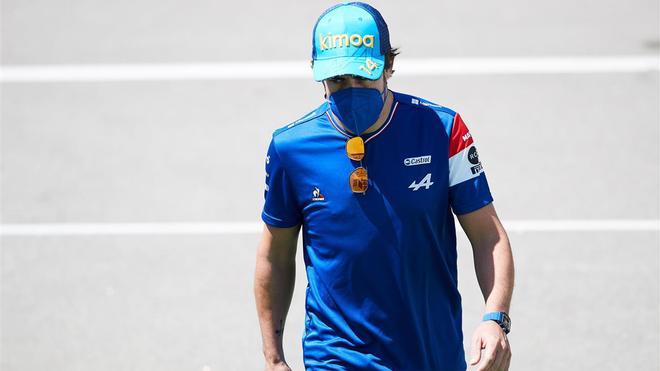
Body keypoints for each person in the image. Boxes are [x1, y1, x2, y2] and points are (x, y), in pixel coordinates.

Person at [253, 2, 514, 370]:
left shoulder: (442, 131)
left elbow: (489, 236)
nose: (351, 90)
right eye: (339, 80)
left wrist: (495, 317)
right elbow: (274, 256)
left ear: (389, 66)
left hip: (431, 354)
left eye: (363, 76)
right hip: (335, 355)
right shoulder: (290, 148)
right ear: (317, 74)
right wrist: (273, 358)